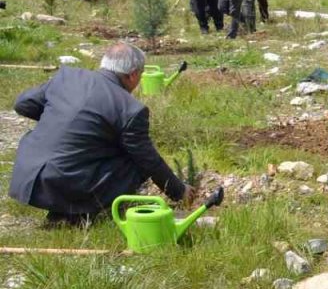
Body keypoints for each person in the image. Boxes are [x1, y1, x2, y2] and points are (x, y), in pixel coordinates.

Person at [8, 42, 194, 224]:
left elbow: (22, 104)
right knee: (133, 161)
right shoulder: (130, 109)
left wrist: (57, 116)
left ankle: (62, 212)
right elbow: (148, 160)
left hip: (27, 175)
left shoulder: (67, 76)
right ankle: (77, 214)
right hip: (61, 182)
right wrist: (179, 191)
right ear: (133, 75)